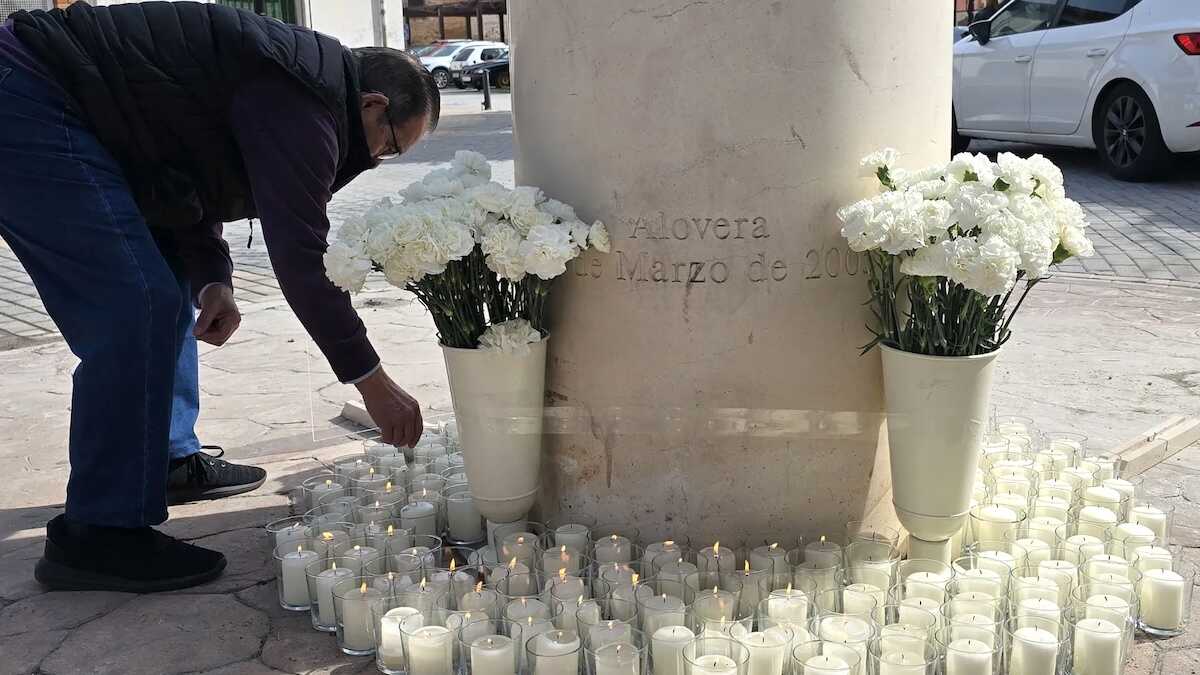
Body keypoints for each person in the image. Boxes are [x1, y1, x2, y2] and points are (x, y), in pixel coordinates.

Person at [0, 1, 436, 592]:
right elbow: (302, 257)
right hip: (30, 95)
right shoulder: (303, 96)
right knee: (137, 306)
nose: (377, 162)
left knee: (166, 289)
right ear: (372, 105)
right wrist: (373, 383)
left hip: (61, 100)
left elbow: (181, 174)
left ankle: (165, 462)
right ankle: (98, 533)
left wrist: (212, 278)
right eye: (389, 147)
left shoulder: (301, 83)